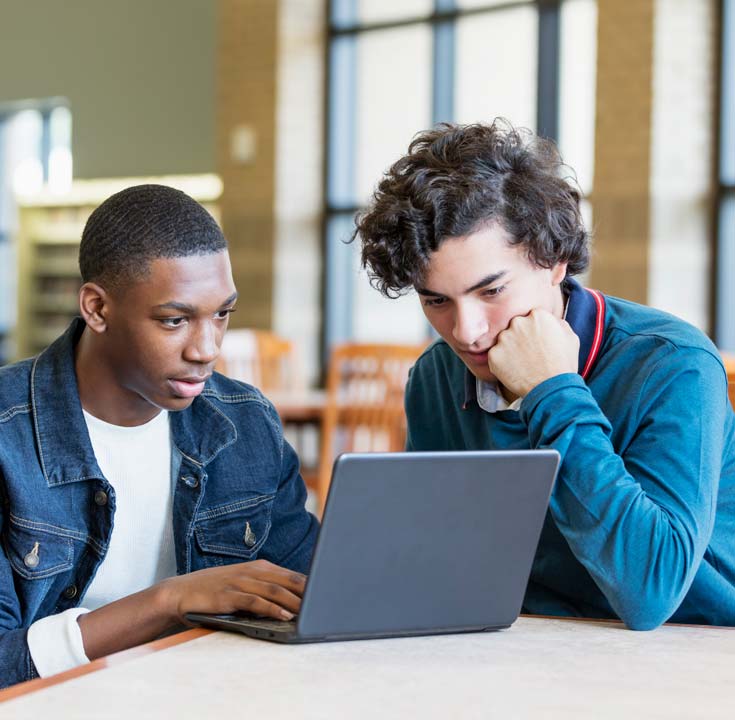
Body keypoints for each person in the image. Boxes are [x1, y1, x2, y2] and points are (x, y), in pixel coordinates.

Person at [354, 120, 735, 629]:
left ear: (554, 262)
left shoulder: (673, 365)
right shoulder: (435, 377)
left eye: (491, 292)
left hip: (689, 647)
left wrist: (552, 390)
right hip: (529, 641)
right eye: (436, 300)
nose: (466, 332)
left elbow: (650, 594)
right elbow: (444, 559)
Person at [0, 185, 318, 688]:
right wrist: (168, 600)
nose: (207, 349)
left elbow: (311, 596)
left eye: (222, 314)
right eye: (175, 320)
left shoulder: (248, 423)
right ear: (97, 309)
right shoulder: (7, 438)